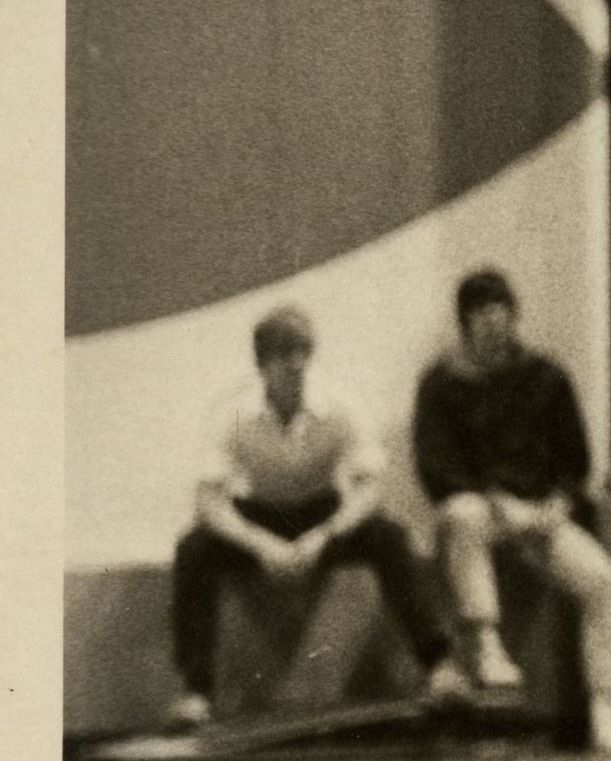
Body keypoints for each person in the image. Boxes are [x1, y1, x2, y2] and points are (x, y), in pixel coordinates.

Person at [164, 304, 464, 729]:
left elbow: (369, 488)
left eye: (303, 353)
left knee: (391, 536)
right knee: (193, 549)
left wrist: (325, 535)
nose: (296, 365)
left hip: (321, 513)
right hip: (261, 517)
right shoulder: (231, 412)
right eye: (284, 356)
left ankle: (440, 667)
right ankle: (196, 692)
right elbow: (209, 501)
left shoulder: (339, 403)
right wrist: (260, 543)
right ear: (262, 365)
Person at [411, 268, 611, 757]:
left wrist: (557, 505)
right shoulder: (442, 384)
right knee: (463, 515)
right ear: (465, 324)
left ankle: (610, 703)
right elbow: (436, 471)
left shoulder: (546, 377)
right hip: (485, 511)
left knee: (601, 578)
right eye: (481, 316)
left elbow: (576, 462)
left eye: (501, 313)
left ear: (514, 317)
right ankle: (487, 642)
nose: (494, 325)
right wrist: (499, 503)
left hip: (542, 516)